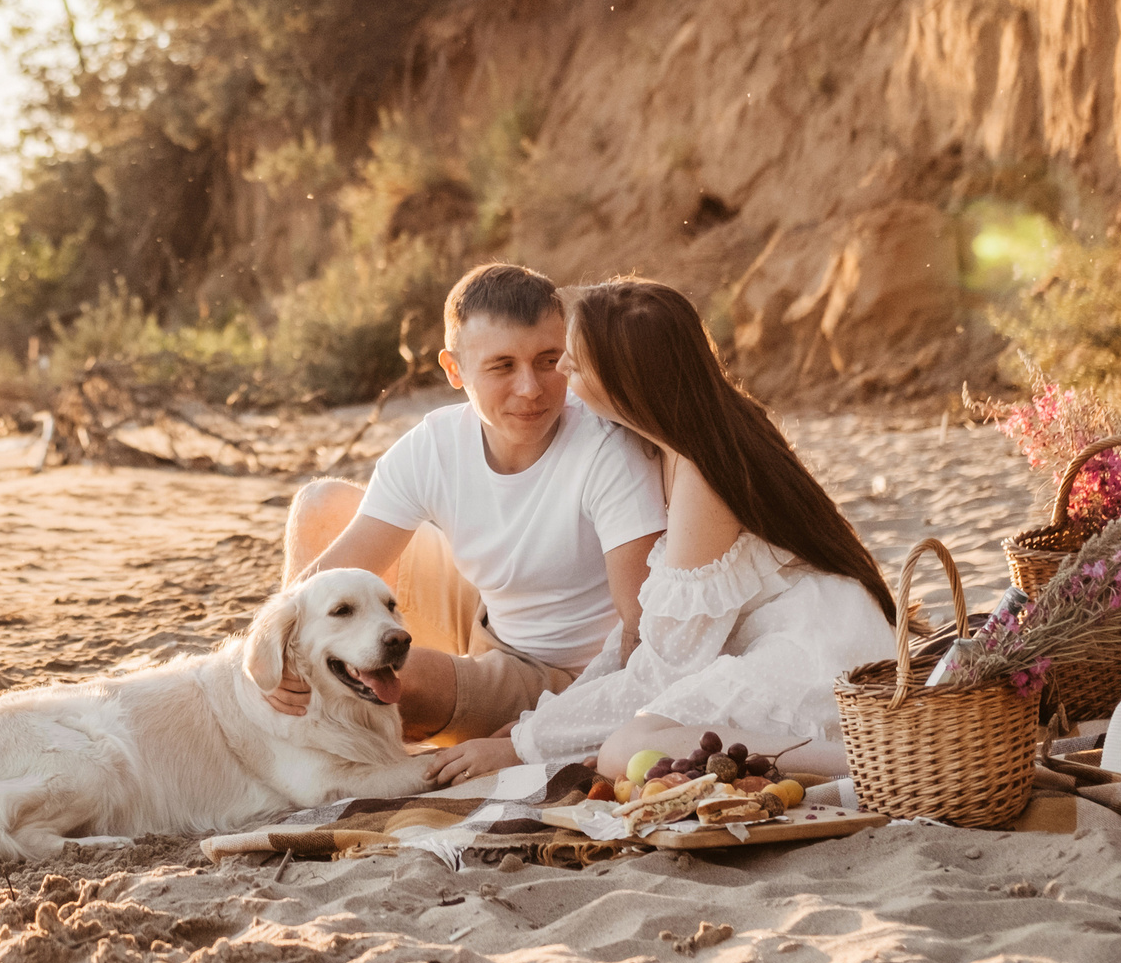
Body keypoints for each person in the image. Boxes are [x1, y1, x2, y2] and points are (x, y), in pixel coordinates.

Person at [431, 277, 899, 784]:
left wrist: (524, 746)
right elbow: (641, 637)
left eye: (575, 362)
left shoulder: (701, 474)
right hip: (783, 638)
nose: (560, 368)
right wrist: (538, 725)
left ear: (622, 379)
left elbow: (665, 666)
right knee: (628, 748)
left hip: (815, 651)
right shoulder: (666, 443)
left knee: (625, 752)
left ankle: (871, 768)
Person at [268, 263, 668, 751]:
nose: (531, 388)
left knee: (395, 681)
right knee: (322, 505)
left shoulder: (607, 450)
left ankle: (305, 728)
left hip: (562, 676)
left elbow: (644, 635)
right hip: (483, 615)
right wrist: (270, 657)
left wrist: (542, 735)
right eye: (503, 366)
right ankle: (286, 699)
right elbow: (324, 581)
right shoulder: (435, 444)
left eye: (548, 360)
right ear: (454, 370)